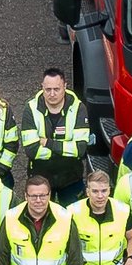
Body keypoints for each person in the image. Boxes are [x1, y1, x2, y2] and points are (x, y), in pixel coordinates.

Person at [20, 68, 90, 200]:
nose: (52, 94)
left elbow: (80, 149)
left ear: (65, 86)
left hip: (71, 179)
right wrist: (66, 150)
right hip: (40, 179)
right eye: (48, 89)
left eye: (56, 89)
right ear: (42, 87)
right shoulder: (30, 109)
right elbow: (32, 151)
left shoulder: (79, 108)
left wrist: (47, 142)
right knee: (40, 218)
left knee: (72, 219)